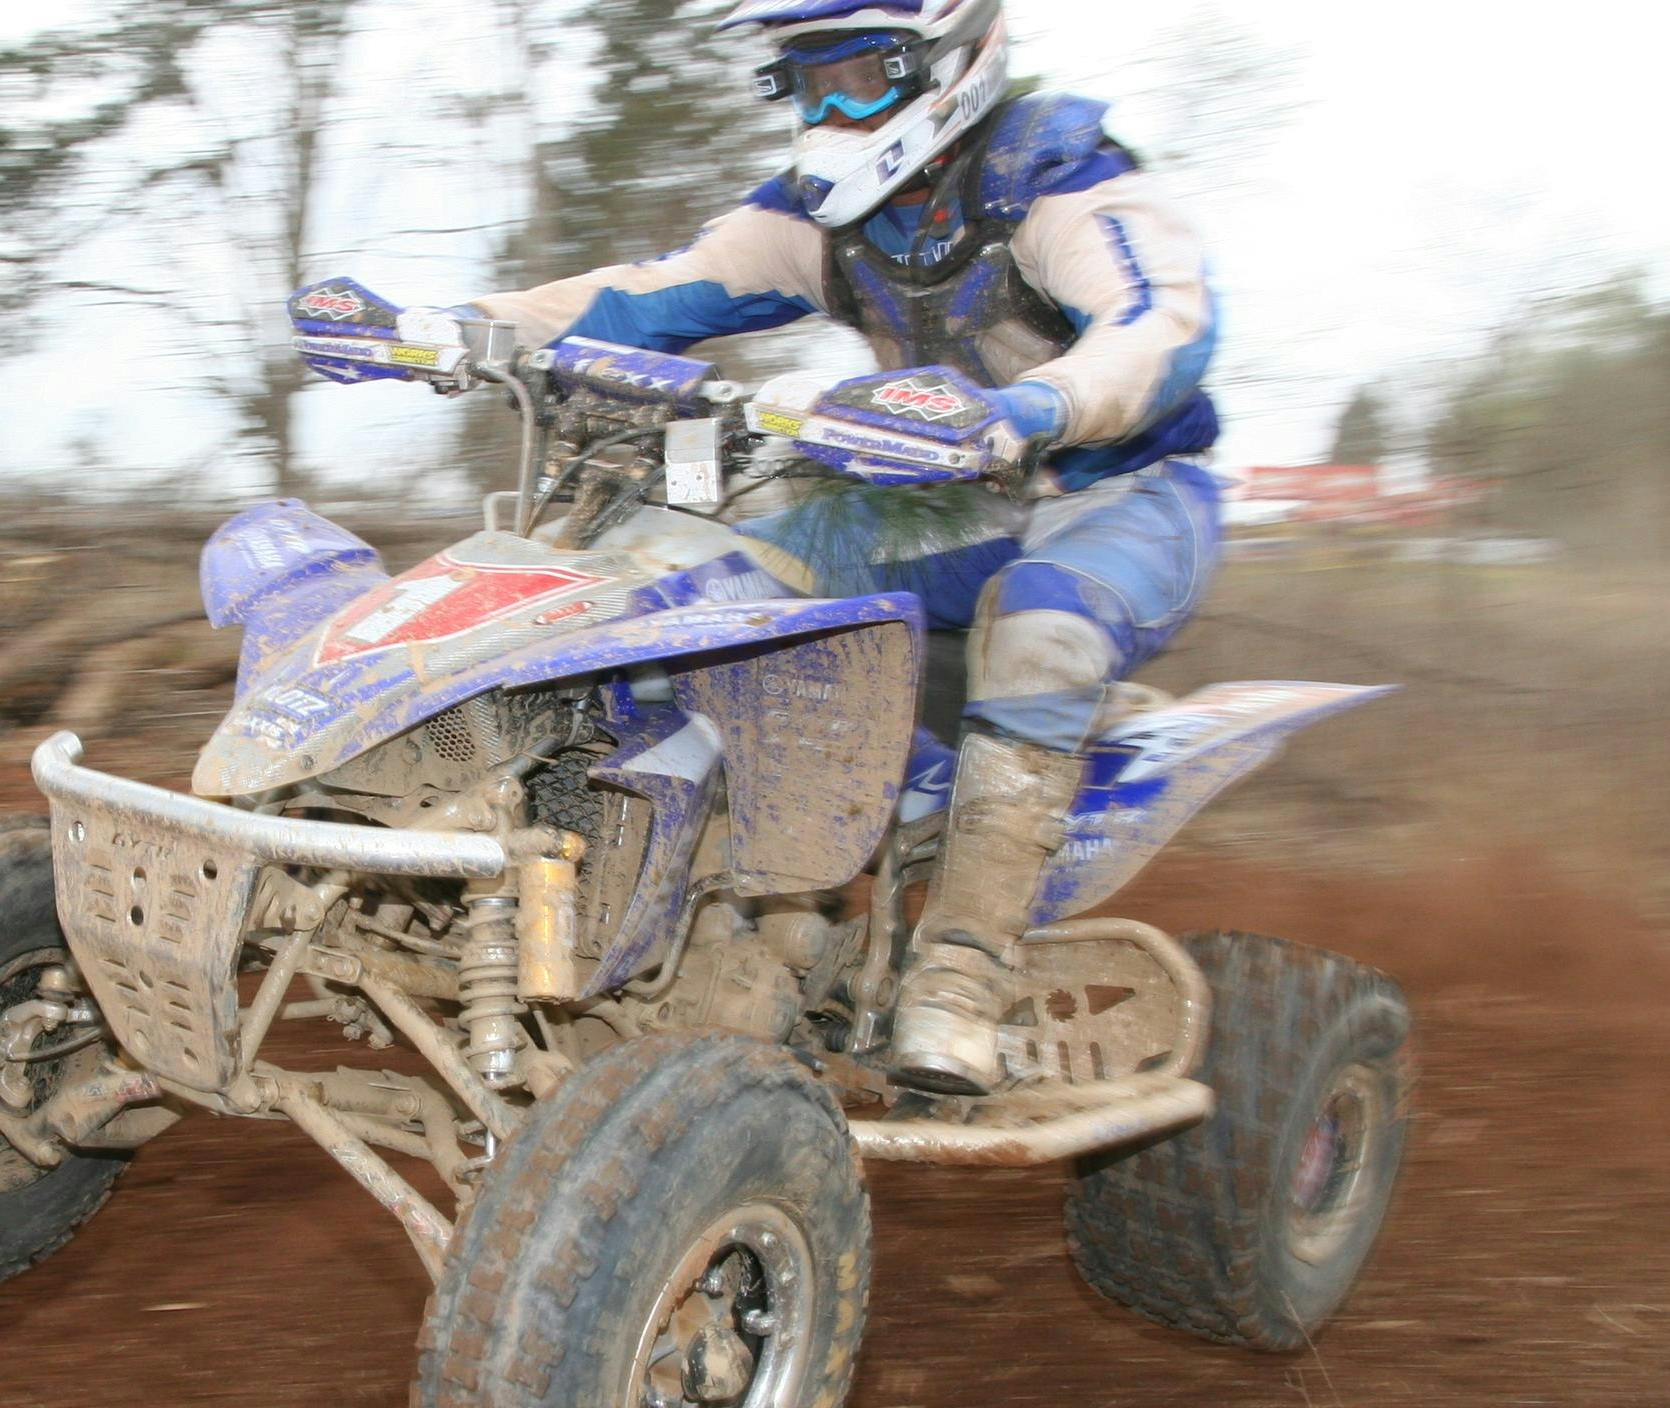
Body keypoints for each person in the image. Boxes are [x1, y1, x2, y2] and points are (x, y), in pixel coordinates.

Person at [457, 0, 1224, 1096]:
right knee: (703, 584)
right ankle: (725, 905)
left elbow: (1161, 326)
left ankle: (962, 972)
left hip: (1123, 492)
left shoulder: (1060, 182)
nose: (826, 111)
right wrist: (456, 324)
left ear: (950, 64)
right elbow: (646, 296)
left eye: (856, 77)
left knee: (1046, 624)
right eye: (802, 82)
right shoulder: (826, 220)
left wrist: (1037, 404)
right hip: (945, 502)